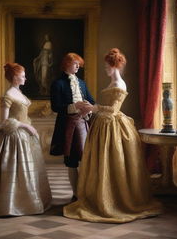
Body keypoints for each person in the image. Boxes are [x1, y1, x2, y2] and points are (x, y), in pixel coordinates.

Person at [63, 48, 162, 223]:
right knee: (101, 164)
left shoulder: (119, 84)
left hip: (112, 126)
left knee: (112, 164)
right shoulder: (114, 82)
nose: (105, 69)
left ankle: (114, 199)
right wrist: (91, 106)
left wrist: (93, 108)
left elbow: (114, 109)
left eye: (106, 66)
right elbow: (105, 106)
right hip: (103, 124)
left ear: (112, 65)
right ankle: (100, 196)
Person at [0, 62, 52, 216]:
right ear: (15, 78)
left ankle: (26, 200)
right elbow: (4, 121)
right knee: (12, 171)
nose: (25, 78)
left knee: (27, 172)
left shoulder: (19, 93)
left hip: (25, 137)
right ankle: (9, 203)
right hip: (13, 136)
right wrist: (26, 127)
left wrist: (28, 127)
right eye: (23, 76)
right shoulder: (8, 95)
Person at [50, 53, 95, 201]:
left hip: (83, 123)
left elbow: (92, 101)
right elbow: (56, 107)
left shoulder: (82, 83)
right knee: (71, 161)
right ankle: (76, 194)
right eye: (75, 63)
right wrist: (74, 106)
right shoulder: (58, 84)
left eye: (78, 64)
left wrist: (87, 108)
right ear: (67, 64)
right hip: (67, 125)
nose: (78, 66)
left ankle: (86, 192)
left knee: (86, 159)